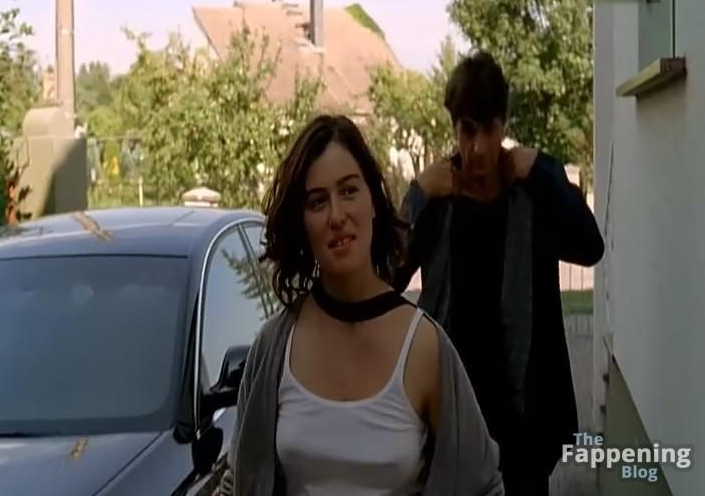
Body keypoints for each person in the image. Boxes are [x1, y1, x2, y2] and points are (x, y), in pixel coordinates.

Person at [220, 114, 504, 496]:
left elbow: (483, 486)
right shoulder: (275, 347)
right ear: (302, 222)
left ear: (373, 200)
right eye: (318, 201)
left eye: (349, 191)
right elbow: (237, 481)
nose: (337, 216)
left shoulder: (424, 347)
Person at [392, 51, 605, 495]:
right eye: (467, 131)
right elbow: (384, 278)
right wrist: (416, 196)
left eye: (489, 130)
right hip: (453, 417)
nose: (478, 148)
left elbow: (590, 247)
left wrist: (545, 171)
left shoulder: (530, 190)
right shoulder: (439, 197)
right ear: (454, 127)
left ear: (503, 125)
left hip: (524, 422)